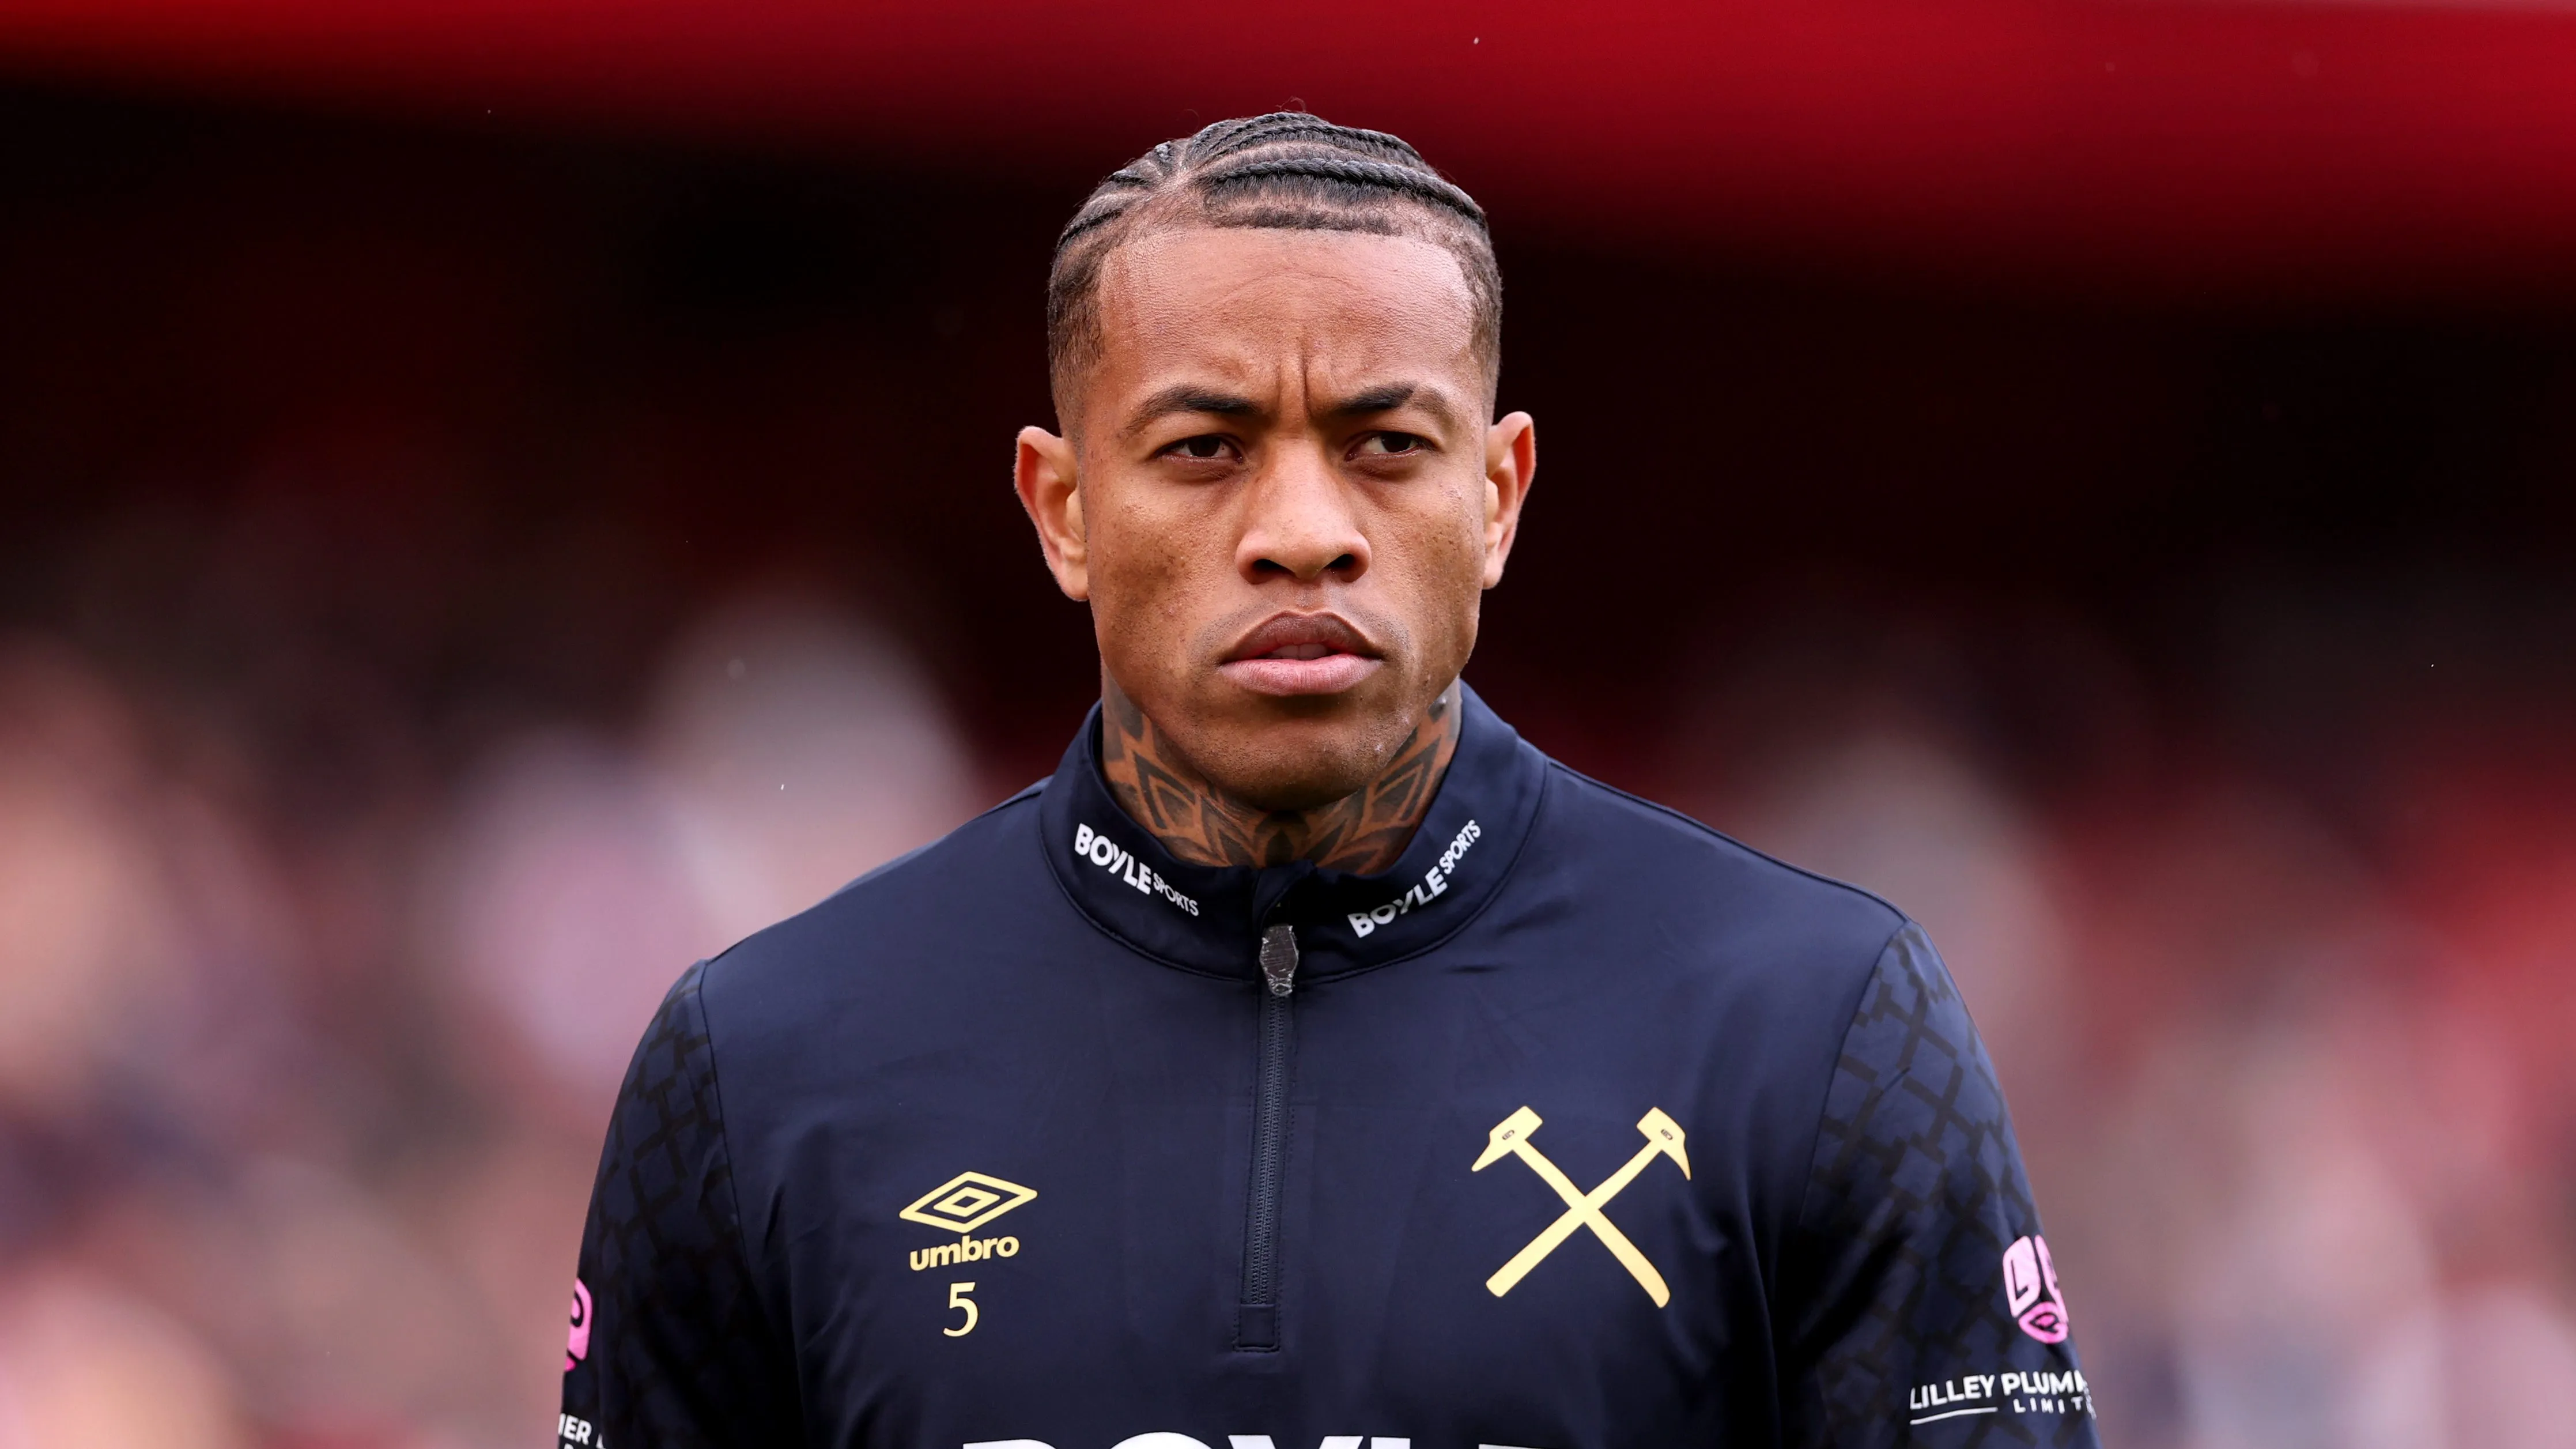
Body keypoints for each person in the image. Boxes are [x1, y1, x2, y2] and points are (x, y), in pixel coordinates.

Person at [558, 113, 2098, 1449]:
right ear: (1062, 506)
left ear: (1494, 497)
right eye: (1206, 448)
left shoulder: (1813, 1026)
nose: (1303, 529)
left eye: (1381, 444)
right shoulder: (760, 1068)